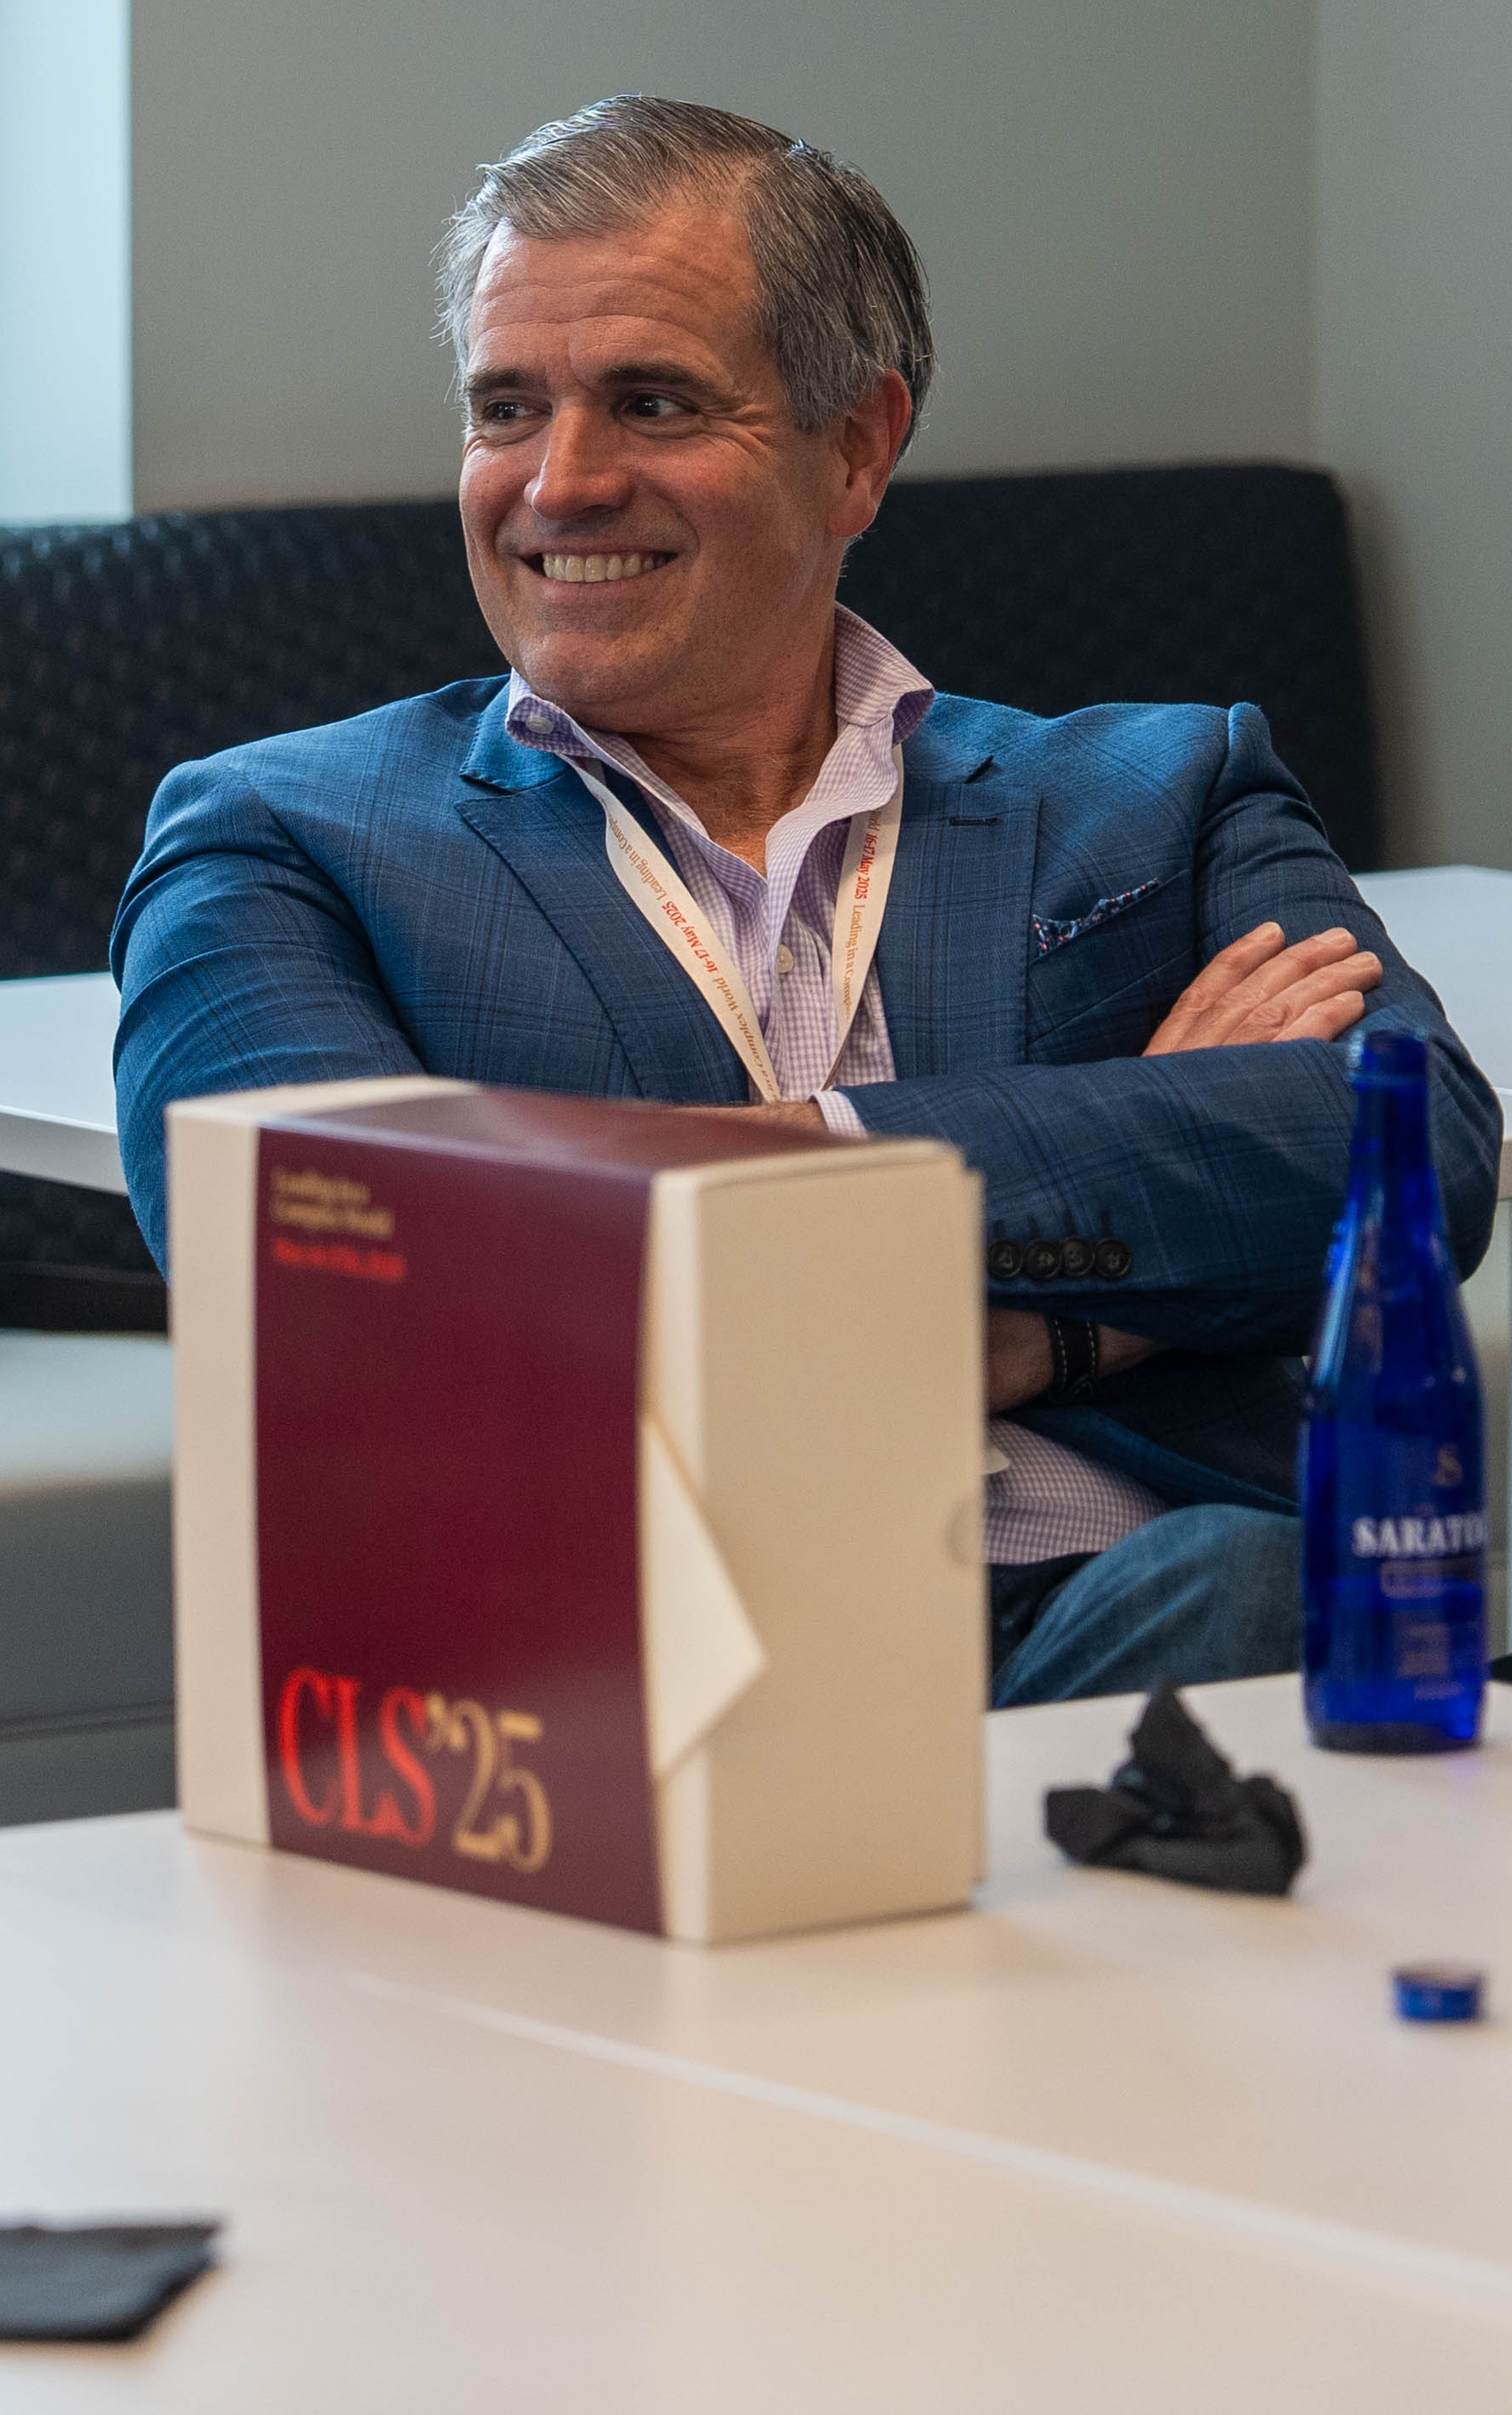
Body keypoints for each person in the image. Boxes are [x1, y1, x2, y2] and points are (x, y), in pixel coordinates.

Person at [115, 94, 1497, 1713]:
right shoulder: (283, 839)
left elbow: (1414, 1155)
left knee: (1244, 1590)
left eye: (651, 403)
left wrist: (781, 1166)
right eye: (506, 409)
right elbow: (365, 1309)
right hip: (624, 1679)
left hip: (1133, 1600)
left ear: (856, 448)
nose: (561, 482)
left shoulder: (1162, 794)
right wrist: (1070, 1305)